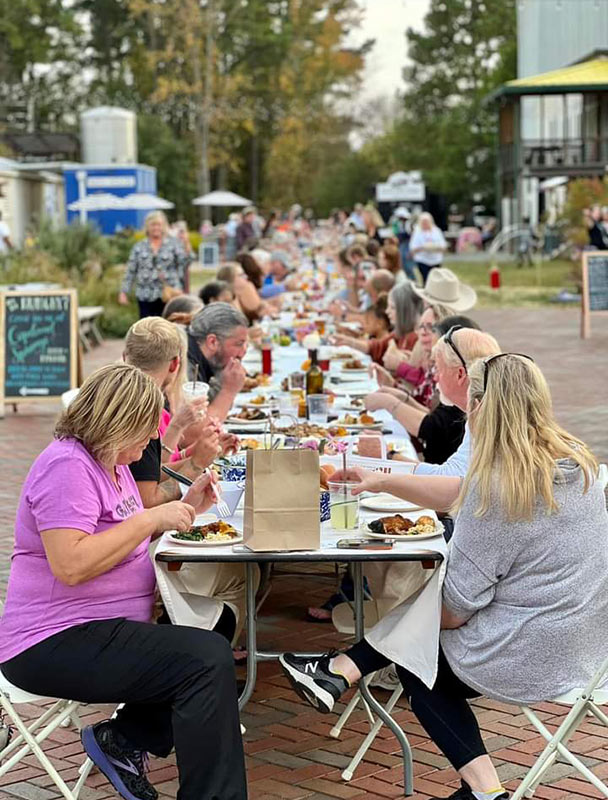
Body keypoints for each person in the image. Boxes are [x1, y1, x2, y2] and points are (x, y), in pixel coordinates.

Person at [279, 354, 607, 800]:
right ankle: (340, 671)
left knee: (419, 661)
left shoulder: (495, 490)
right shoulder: (579, 466)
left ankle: (484, 787)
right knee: (421, 634)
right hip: (589, 648)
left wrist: (415, 606)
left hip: (532, 654)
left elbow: (454, 611)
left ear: (478, 406)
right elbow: (461, 492)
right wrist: (383, 480)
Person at [0, 363, 247, 800]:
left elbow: (122, 531)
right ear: (118, 423)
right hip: (52, 639)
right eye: (147, 429)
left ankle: (127, 739)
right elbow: (71, 564)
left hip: (98, 627)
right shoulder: (67, 467)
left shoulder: (109, 464)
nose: (154, 439)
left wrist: (187, 503)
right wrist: (153, 517)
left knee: (216, 621)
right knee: (205, 661)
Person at [366, 314, 480, 464]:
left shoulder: (473, 408)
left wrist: (388, 455)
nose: (434, 377)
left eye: (438, 367)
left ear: (460, 372)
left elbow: (432, 428)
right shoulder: (464, 399)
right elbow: (436, 418)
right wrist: (401, 396)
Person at [119, 211, 190, 318]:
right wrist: (123, 292)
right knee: (147, 329)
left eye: (159, 225)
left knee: (168, 327)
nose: (156, 228)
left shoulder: (173, 244)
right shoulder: (139, 247)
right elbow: (130, 270)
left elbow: (185, 263)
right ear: (147, 227)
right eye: (153, 225)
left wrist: (186, 244)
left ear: (164, 226)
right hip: (145, 294)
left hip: (169, 294)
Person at [332, 282, 423, 365]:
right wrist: (349, 342)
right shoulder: (401, 333)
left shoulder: (416, 338)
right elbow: (378, 346)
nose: (387, 311)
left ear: (405, 310)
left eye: (392, 307)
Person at [187, 303, 248, 421]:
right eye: (239, 344)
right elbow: (198, 431)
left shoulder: (200, 358)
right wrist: (228, 390)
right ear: (212, 342)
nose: (243, 353)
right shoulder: (186, 365)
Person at [409, 212, 447, 284]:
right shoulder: (417, 232)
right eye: (423, 222)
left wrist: (435, 247)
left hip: (436, 260)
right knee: (426, 279)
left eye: (427, 222)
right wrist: (423, 247)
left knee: (436, 280)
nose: (425, 224)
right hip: (422, 260)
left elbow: (443, 245)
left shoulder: (436, 231)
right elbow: (413, 247)